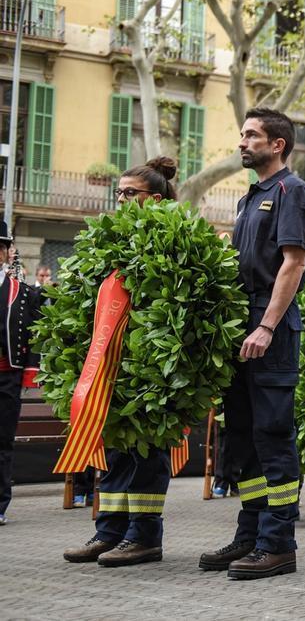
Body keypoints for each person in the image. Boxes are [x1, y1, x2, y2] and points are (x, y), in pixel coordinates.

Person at [197, 108, 305, 580]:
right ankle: (250, 535)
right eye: (242, 135)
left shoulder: (293, 192)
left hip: (271, 328)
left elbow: (294, 264)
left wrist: (266, 326)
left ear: (277, 144)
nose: (242, 142)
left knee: (272, 435)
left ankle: (278, 543)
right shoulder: (251, 198)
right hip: (241, 326)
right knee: (243, 438)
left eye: (251, 135)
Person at [61, 157, 181, 567]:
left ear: (156, 199)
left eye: (131, 193)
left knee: (147, 453)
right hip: (114, 361)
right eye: (119, 193)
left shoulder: (172, 239)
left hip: (152, 365)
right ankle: (109, 532)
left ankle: (144, 537)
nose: (122, 200)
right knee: (115, 448)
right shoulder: (110, 240)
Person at [0, 220, 42, 527]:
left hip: (6, 377)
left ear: (6, 253)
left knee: (2, 442)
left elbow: (34, 335)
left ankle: (0, 502)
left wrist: (29, 372)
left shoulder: (22, 293)